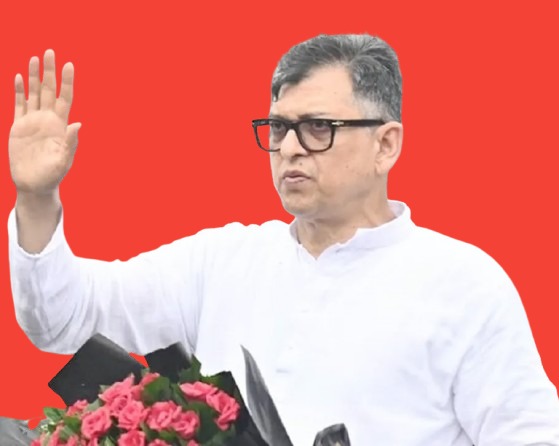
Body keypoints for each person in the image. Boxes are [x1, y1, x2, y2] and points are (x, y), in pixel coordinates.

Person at [7, 34, 559, 445]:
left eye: (319, 127)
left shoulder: (464, 283)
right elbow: (63, 319)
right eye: (278, 128)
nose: (290, 147)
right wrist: (36, 198)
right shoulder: (223, 260)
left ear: (386, 145)